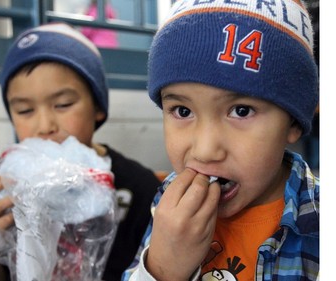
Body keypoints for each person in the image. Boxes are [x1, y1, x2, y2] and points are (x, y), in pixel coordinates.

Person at [122, 0, 319, 280]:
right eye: (183, 111)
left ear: (294, 121)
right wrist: (163, 267)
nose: (205, 151)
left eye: (241, 111)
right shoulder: (169, 202)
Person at [0, 22, 160, 281]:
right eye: (24, 111)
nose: (45, 126)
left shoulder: (138, 188)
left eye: (63, 104)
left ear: (97, 107)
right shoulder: (3, 184)